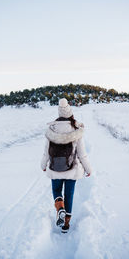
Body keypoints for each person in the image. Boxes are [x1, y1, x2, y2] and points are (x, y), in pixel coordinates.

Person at [41, 98, 92, 233]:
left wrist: (43, 165)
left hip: (55, 170)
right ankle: (66, 225)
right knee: (69, 195)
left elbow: (46, 152)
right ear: (70, 113)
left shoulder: (51, 129)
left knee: (57, 191)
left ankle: (60, 208)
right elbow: (82, 154)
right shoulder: (76, 129)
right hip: (72, 170)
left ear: (59, 114)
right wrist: (88, 169)